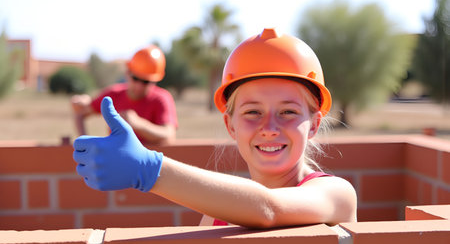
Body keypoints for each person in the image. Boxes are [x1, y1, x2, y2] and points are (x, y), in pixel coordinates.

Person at [73, 28, 357, 228]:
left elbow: (269, 208)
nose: (269, 127)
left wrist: (150, 170)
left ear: (314, 124)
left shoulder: (336, 194)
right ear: (230, 125)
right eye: (253, 112)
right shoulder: (216, 214)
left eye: (288, 112)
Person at [71, 45, 177, 145]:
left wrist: (138, 124)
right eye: (135, 78)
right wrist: (87, 145)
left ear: (155, 81)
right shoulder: (113, 95)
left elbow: (168, 134)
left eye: (146, 82)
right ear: (127, 73)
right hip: (117, 162)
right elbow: (80, 113)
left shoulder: (161, 98)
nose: (139, 86)